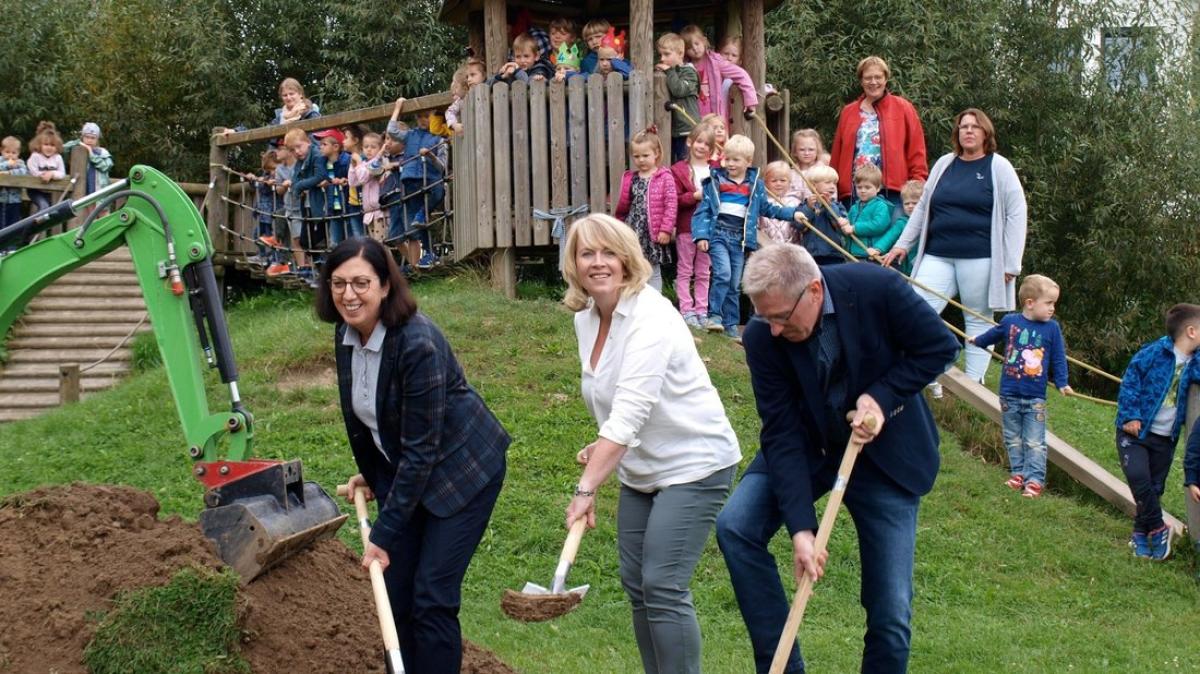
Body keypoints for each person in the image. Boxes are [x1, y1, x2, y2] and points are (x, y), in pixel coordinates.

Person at [716, 243, 958, 674]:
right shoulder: (762, 336)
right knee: (737, 526)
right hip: (808, 449)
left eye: (780, 318)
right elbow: (782, 431)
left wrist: (882, 399)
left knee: (890, 608)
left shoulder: (875, 287)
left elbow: (938, 347)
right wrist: (801, 529)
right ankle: (782, 667)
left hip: (885, 457)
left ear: (812, 291)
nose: (772, 329)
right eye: (763, 316)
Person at [319, 237, 509, 673]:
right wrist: (377, 472)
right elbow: (363, 418)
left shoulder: (416, 342)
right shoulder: (346, 332)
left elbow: (423, 450)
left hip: (463, 473)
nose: (349, 295)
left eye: (361, 283)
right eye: (339, 283)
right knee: (396, 594)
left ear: (386, 285)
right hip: (410, 472)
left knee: (432, 598)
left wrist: (383, 534)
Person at [562, 213, 741, 674]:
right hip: (643, 467)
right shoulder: (586, 318)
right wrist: (600, 450)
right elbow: (615, 403)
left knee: (662, 583)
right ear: (573, 263)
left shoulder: (652, 314)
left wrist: (587, 487)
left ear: (627, 259)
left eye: (609, 253)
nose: (598, 263)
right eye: (587, 253)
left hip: (695, 462)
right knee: (637, 585)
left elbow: (630, 413)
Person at [883, 108, 1028, 393]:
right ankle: (931, 370)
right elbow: (923, 206)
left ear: (986, 133)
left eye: (975, 127)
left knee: (977, 320)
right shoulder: (945, 164)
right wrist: (903, 244)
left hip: (981, 257)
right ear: (957, 133)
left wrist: (1011, 264)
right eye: (963, 127)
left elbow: (1016, 213)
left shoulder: (998, 166)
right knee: (917, 310)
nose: (969, 131)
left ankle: (974, 387)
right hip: (938, 253)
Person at [693, 135, 806, 340]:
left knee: (735, 283)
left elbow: (767, 208)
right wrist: (701, 235)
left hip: (740, 239)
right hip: (718, 234)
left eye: (736, 159)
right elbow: (703, 211)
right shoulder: (715, 182)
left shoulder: (755, 186)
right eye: (727, 158)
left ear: (748, 162)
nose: (730, 163)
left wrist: (792, 213)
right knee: (723, 274)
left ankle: (730, 325)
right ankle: (714, 316)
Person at [969, 274, 1073, 498]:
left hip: (1035, 397)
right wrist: (977, 340)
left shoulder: (1052, 329)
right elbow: (993, 335)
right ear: (1030, 303)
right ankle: (1018, 475)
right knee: (1012, 437)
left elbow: (1058, 357)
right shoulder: (1010, 322)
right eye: (1049, 303)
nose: (1052, 308)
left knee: (1035, 440)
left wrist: (1063, 382)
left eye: (1054, 303)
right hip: (1009, 394)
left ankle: (1035, 480)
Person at [1114, 303, 1200, 560]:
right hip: (1135, 432)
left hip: (1166, 438)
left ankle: (1141, 536)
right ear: (1192, 332)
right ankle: (1159, 528)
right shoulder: (1154, 353)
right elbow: (1131, 380)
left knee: (1154, 486)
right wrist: (1131, 415)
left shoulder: (1195, 361)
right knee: (1139, 479)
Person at [829, 56, 927, 206]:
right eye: (868, 78)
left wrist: (918, 183)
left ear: (886, 79)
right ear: (861, 81)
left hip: (892, 190)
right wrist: (831, 184)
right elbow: (837, 153)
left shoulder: (903, 108)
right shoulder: (848, 112)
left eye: (878, 77)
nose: (873, 82)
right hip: (856, 190)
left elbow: (916, 149)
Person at [387, 98, 447, 270]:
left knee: (435, 195)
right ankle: (427, 255)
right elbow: (391, 130)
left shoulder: (439, 139)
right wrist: (397, 107)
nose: (423, 120)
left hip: (430, 180)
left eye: (427, 116)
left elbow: (442, 166)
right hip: (410, 179)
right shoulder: (410, 135)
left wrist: (430, 156)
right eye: (420, 116)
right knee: (418, 224)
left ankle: (423, 215)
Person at [614, 128, 676, 292]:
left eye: (645, 155)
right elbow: (624, 206)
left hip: (653, 232)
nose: (641, 160)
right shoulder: (631, 178)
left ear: (656, 153)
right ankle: (633, 300)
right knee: (631, 266)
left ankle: (655, 303)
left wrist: (666, 229)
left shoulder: (664, 177)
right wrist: (619, 226)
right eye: (636, 156)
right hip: (632, 230)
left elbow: (671, 205)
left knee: (652, 269)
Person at [670, 124, 716, 329]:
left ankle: (702, 310)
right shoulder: (678, 170)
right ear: (690, 142)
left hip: (710, 229)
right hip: (687, 227)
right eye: (699, 141)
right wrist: (694, 196)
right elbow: (675, 199)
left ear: (712, 149)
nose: (702, 147)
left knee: (704, 271)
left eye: (707, 144)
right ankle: (686, 309)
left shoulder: (716, 170)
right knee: (685, 269)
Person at [679, 25, 757, 128]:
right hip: (693, 117)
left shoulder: (715, 62)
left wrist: (750, 102)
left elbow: (741, 75)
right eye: (689, 47)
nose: (695, 49)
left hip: (714, 117)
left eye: (697, 43)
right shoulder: (684, 67)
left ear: (704, 41)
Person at [656, 32, 700, 163]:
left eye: (667, 54)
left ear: (680, 54)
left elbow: (679, 90)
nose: (662, 59)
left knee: (685, 164)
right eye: (660, 55)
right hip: (675, 129)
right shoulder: (672, 72)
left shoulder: (689, 72)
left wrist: (669, 72)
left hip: (687, 129)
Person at [795, 165, 850, 266]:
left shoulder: (838, 206)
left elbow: (841, 227)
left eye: (834, 183)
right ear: (814, 185)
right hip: (812, 255)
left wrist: (830, 206)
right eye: (828, 182)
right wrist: (809, 208)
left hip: (834, 254)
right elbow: (799, 226)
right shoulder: (804, 205)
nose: (832, 186)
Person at [843, 164, 893, 259]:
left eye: (867, 187)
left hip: (869, 255)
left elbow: (878, 225)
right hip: (852, 253)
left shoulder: (880, 206)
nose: (863, 191)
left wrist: (855, 228)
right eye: (859, 187)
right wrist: (843, 226)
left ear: (878, 188)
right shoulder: (854, 208)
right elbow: (847, 227)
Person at [874, 179, 923, 275]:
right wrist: (877, 248)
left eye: (914, 203)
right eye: (907, 203)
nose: (910, 206)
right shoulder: (902, 222)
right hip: (907, 265)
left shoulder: (928, 223)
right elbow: (889, 236)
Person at [348, 132, 388, 242]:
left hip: (380, 211)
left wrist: (359, 163)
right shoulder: (364, 165)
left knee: (380, 244)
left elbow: (363, 177)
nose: (369, 150)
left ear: (380, 149)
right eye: (366, 147)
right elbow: (352, 182)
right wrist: (353, 166)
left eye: (373, 147)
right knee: (378, 245)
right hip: (369, 212)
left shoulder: (379, 163)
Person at [62, 123, 113, 195]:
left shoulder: (102, 152)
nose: (89, 140)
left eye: (93, 138)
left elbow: (105, 167)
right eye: (87, 137)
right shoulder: (78, 149)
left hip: (98, 192)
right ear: (82, 137)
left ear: (97, 139)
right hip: (79, 190)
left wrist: (91, 154)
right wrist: (78, 142)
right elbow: (62, 148)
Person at [758, 161, 800, 245]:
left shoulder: (796, 203)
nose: (778, 184)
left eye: (783, 180)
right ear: (765, 182)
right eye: (774, 181)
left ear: (789, 182)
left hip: (792, 248)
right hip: (767, 249)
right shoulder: (762, 202)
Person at [26, 128, 66, 213]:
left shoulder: (58, 158)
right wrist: (43, 175)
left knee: (50, 212)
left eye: (52, 145)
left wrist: (52, 174)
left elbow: (62, 173)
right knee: (44, 206)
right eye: (46, 144)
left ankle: (37, 225)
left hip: (50, 191)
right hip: (35, 190)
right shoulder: (35, 156)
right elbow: (32, 170)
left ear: (57, 147)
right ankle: (35, 225)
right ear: (40, 145)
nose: (49, 147)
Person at [446, 59, 487, 134]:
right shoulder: (461, 101)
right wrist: (454, 125)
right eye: (468, 77)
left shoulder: (487, 90)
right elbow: (449, 112)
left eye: (456, 87)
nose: (469, 79)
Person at [787, 129, 826, 204]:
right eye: (802, 150)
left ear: (817, 151)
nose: (806, 153)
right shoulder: (790, 173)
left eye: (811, 150)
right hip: (795, 211)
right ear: (795, 152)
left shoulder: (823, 172)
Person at [0, 137, 28, 230]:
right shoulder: (1, 161)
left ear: (18, 153)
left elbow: (24, 172)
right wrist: (7, 164)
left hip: (15, 200)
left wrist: (10, 173)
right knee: (2, 223)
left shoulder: (19, 162)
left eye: (13, 153)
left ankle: (11, 244)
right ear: (2, 151)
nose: (10, 155)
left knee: (13, 223)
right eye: (7, 152)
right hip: (2, 199)